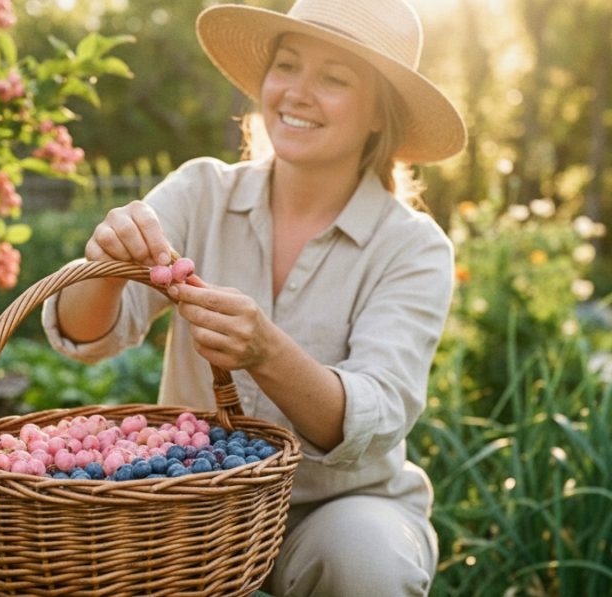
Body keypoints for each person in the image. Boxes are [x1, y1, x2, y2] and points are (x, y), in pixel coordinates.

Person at [41, 0, 466, 594]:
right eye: (286, 66)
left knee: (366, 561)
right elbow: (84, 338)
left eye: (334, 78)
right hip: (193, 499)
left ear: (379, 113)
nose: (297, 93)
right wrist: (106, 267)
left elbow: (375, 416)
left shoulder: (412, 247)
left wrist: (268, 352)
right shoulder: (201, 192)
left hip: (334, 508)